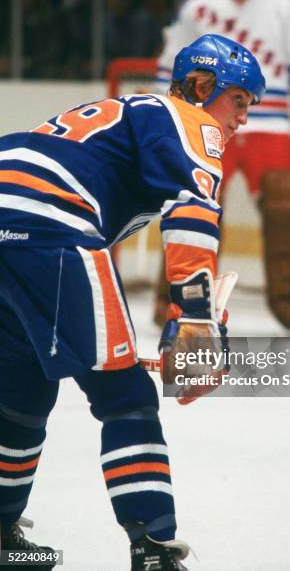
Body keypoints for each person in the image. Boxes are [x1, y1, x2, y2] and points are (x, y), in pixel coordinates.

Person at [0, 34, 265, 570]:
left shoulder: (124, 112)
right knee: (126, 396)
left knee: (21, 391)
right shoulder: (189, 118)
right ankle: (153, 550)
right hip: (49, 220)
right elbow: (192, 211)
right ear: (201, 85)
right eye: (239, 100)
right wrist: (193, 315)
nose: (240, 119)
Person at [154, 0, 290, 335]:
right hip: (205, 120)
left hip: (271, 120)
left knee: (289, 212)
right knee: (192, 213)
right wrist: (166, 122)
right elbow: (170, 69)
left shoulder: (281, 5)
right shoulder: (196, 7)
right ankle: (176, 304)